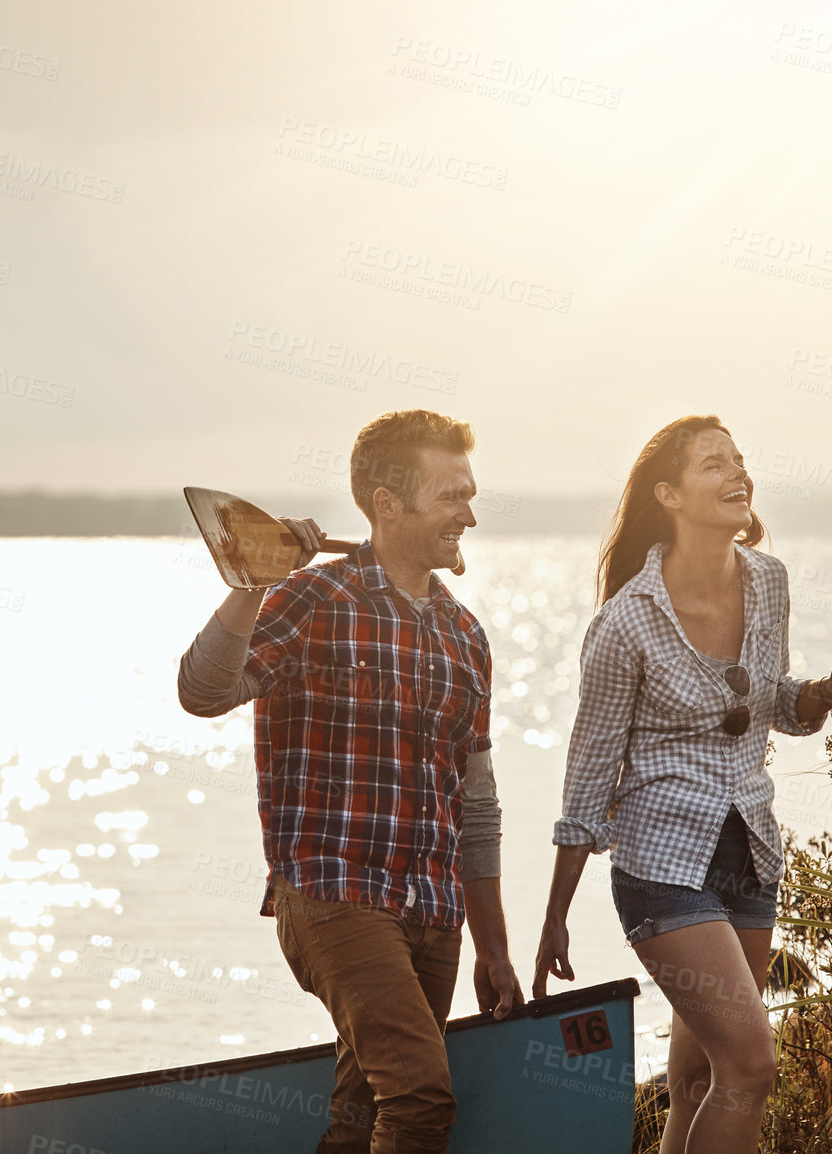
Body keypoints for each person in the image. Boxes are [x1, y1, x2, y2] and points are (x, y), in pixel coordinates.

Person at [177, 409, 523, 1153]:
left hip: (434, 911)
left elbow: (479, 807)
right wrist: (253, 581)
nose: (468, 514)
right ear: (387, 504)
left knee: (363, 1114)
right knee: (422, 1099)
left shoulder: (466, 637)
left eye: (470, 493)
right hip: (333, 898)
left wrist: (493, 948)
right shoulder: (312, 600)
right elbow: (204, 692)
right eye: (451, 496)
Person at [531, 415, 832, 1154]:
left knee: (695, 1078)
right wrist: (555, 916)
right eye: (713, 465)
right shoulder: (624, 624)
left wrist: (829, 687)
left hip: (749, 854)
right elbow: (588, 779)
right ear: (670, 495)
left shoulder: (768, 581)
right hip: (661, 868)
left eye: (740, 460)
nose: (737, 474)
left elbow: (778, 704)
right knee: (752, 1068)